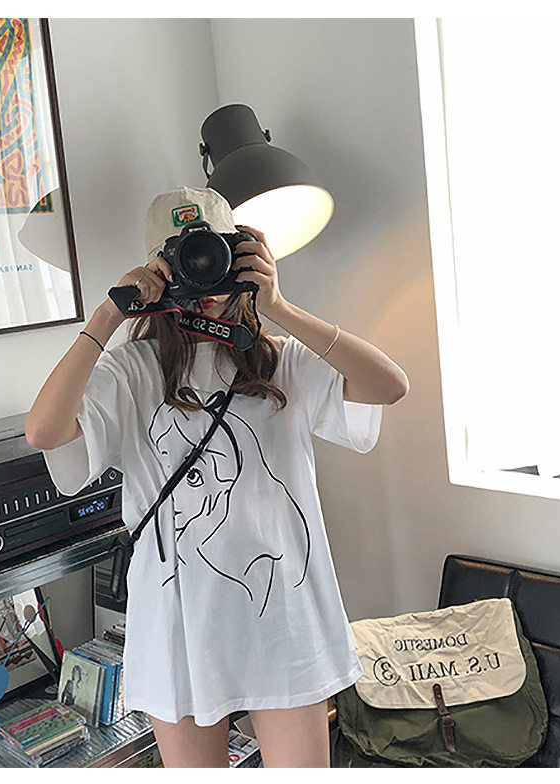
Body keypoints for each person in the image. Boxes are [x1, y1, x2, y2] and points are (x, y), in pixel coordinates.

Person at [26, 186, 409, 767]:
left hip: (283, 610)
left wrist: (278, 306)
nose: (203, 277)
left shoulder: (280, 359)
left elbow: (390, 385)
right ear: (157, 269)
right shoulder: (131, 371)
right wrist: (109, 315)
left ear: (242, 255)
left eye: (215, 255)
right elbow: (44, 432)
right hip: (178, 621)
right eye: (184, 260)